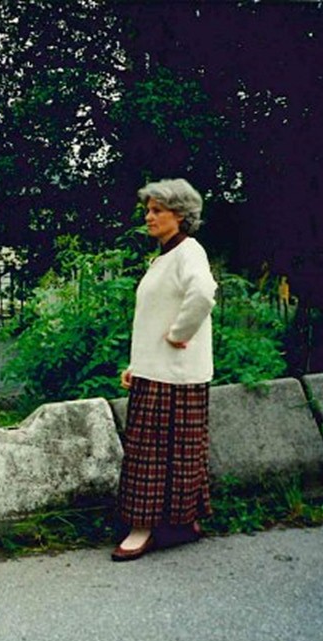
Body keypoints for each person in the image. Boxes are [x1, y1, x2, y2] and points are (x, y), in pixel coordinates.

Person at [113, 178, 218, 562]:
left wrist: (178, 336)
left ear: (180, 215)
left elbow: (204, 293)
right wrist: (136, 366)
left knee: (154, 454)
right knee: (165, 451)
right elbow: (154, 315)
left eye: (158, 210)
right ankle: (178, 523)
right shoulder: (165, 256)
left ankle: (145, 529)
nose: (149, 216)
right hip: (155, 371)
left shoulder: (190, 252)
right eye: (148, 209)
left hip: (176, 373)